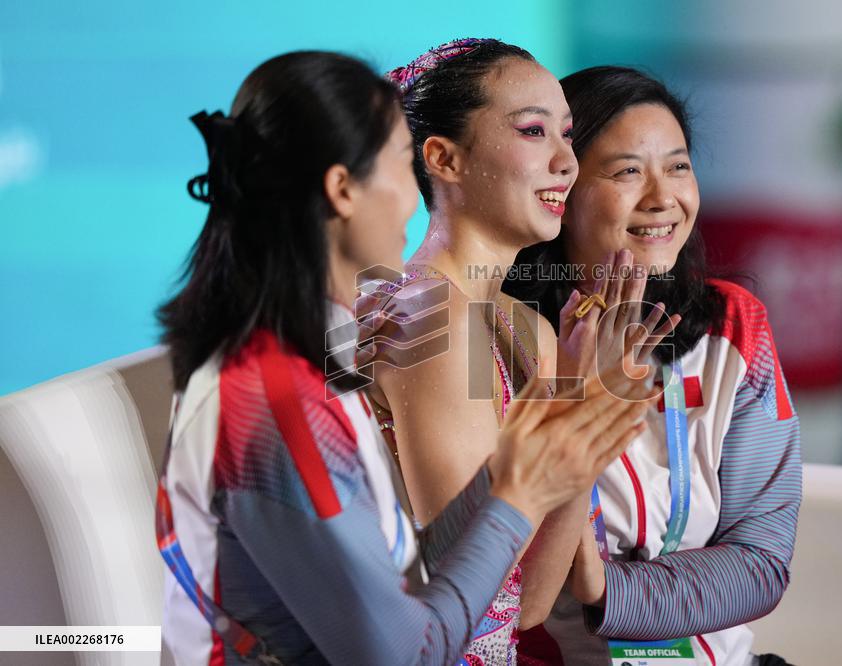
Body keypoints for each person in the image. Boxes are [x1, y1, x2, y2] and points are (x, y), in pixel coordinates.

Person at [155, 51, 657, 665]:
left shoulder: (456, 324)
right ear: (344, 189)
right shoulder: (314, 372)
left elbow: (513, 608)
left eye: (566, 135)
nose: (567, 164)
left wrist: (573, 426)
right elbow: (436, 636)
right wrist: (549, 455)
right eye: (401, 158)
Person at [370, 39, 677, 665]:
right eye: (534, 131)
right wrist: (578, 414)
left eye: (567, 135)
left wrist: (585, 416)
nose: (567, 161)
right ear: (443, 159)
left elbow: (531, 606)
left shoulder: (524, 327)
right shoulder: (426, 314)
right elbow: (471, 605)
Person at [506, 66, 803, 666]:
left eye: (678, 166)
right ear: (558, 189)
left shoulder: (735, 326)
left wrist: (602, 587)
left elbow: (762, 562)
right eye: (627, 172)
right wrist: (584, 397)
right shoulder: (502, 341)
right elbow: (514, 582)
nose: (663, 197)